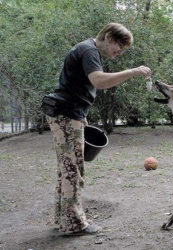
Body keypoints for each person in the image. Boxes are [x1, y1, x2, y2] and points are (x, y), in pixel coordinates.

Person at [45, 23, 151, 235]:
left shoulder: (86, 49)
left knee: (66, 169)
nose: (119, 52)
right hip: (66, 114)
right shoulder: (89, 50)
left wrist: (81, 114)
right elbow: (99, 81)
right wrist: (133, 71)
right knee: (73, 170)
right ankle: (74, 224)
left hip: (67, 113)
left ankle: (62, 219)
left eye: (123, 49)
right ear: (108, 36)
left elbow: (73, 84)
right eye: (119, 46)